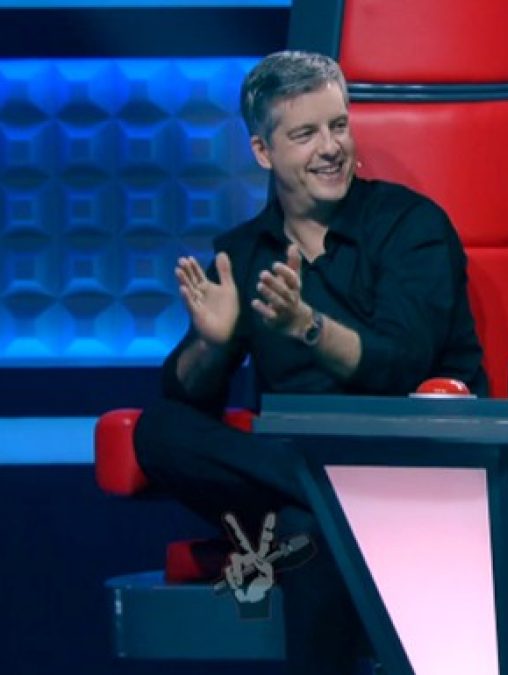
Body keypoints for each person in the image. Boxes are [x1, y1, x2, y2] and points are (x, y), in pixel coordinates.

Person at [133, 50, 487, 674]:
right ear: (263, 151)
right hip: (293, 469)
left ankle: (333, 496)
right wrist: (211, 345)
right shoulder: (243, 255)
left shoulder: (411, 226)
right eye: (306, 134)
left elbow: (402, 364)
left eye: (339, 125)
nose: (331, 148)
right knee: (159, 429)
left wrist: (307, 327)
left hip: (411, 462)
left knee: (304, 529)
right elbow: (189, 398)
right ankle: (336, 496)